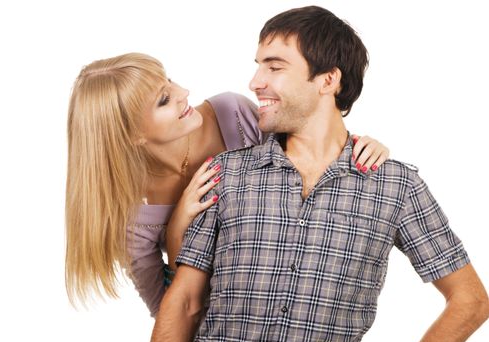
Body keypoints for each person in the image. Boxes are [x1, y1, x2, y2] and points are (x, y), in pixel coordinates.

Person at [150, 6, 489, 342]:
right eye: (258, 66)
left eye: (275, 67)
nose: (255, 83)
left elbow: (470, 300)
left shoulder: (396, 187)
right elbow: (185, 303)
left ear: (328, 80)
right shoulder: (226, 174)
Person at [64, 53, 389, 316]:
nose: (184, 93)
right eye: (164, 100)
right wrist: (177, 232)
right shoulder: (134, 220)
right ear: (133, 135)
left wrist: (357, 147)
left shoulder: (233, 113)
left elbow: (308, 159)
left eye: (170, 82)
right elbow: (170, 313)